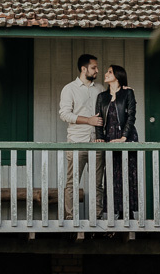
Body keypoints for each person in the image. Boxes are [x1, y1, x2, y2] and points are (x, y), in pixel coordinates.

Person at [58, 53, 104, 220]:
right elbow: (64, 114)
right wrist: (89, 120)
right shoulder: (69, 89)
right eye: (94, 67)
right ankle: (70, 218)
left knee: (97, 184)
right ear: (84, 69)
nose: (97, 70)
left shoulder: (100, 89)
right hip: (76, 142)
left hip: (97, 142)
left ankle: (97, 218)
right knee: (72, 183)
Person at [94, 64, 139, 219]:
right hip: (110, 138)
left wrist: (124, 137)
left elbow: (131, 116)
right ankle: (117, 211)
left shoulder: (128, 93)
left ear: (118, 76)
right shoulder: (102, 97)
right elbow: (99, 119)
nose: (106, 74)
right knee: (113, 174)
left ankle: (129, 212)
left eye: (110, 72)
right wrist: (99, 136)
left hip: (126, 137)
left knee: (128, 173)